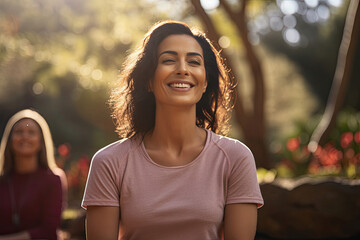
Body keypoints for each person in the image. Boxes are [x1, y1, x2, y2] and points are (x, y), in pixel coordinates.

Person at [82, 20, 263, 240]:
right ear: (148, 80)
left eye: (194, 62)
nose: (183, 70)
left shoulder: (236, 158)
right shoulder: (109, 162)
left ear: (205, 82)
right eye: (169, 60)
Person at [0, 109, 67, 240]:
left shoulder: (53, 180)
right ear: (9, 140)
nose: (24, 136)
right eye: (19, 132)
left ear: (41, 141)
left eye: (31, 132)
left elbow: (49, 232)